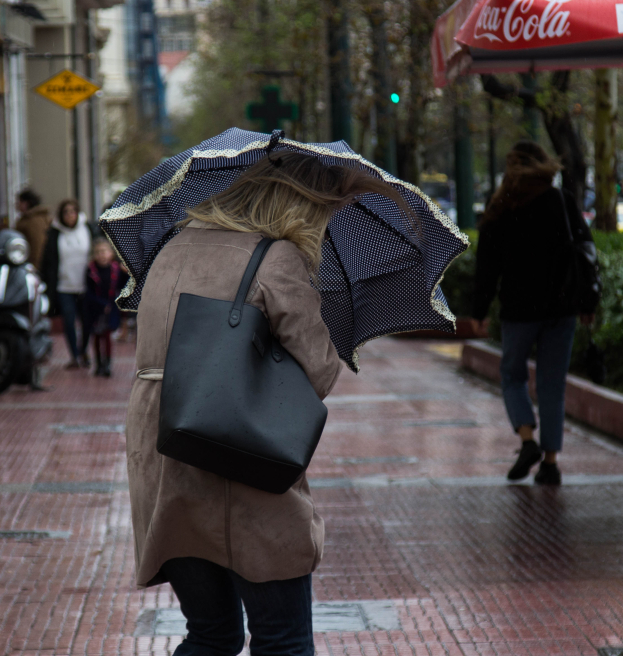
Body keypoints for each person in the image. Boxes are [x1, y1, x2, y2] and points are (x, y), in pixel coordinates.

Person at [126, 152, 411, 656]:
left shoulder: (173, 246)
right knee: (283, 638)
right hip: (238, 458)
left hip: (163, 453)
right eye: (331, 209)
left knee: (210, 634)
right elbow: (320, 371)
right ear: (304, 205)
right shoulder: (275, 258)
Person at [472, 141, 595, 487]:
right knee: (552, 385)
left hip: (518, 312)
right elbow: (584, 251)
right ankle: (551, 464)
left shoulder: (500, 207)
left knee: (512, 375)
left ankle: (527, 440)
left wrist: (479, 310)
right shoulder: (561, 201)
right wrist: (587, 304)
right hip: (562, 309)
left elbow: (487, 266)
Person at [41, 198, 99, 369]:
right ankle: (74, 355)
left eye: (72, 211)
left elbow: (98, 250)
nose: (69, 215)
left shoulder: (87, 228)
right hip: (64, 285)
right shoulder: (55, 233)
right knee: (69, 320)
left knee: (87, 321)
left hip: (85, 285)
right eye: (66, 212)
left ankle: (83, 350)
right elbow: (47, 260)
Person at [82, 237, 125, 377]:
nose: (102, 255)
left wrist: (126, 271)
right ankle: (99, 363)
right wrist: (100, 304)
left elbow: (123, 286)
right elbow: (88, 292)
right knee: (96, 336)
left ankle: (107, 364)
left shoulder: (115, 269)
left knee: (107, 336)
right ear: (94, 255)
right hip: (94, 309)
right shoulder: (91, 270)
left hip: (111, 309)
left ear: (111, 253)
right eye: (98, 252)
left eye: (104, 251)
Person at [13, 189, 51, 269]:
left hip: (31, 265)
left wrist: (34, 267)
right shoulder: (30, 219)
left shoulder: (33, 221)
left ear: (26, 203)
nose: (16, 205)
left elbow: (37, 244)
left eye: (19, 202)